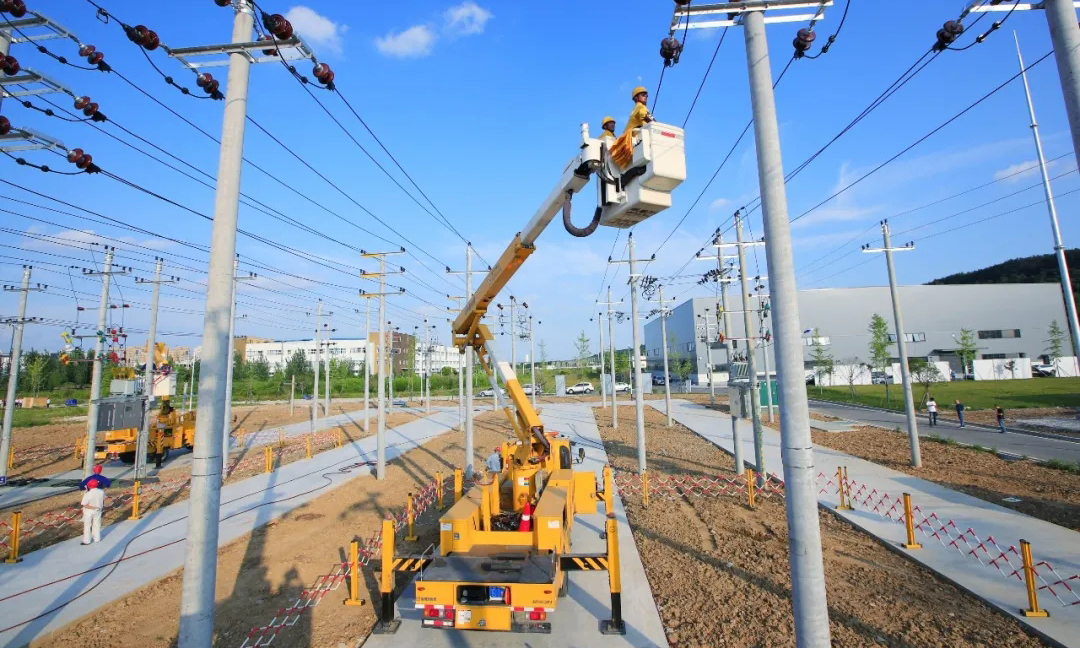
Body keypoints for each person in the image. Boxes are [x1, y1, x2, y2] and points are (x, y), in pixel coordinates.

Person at [81, 477, 105, 545]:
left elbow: (84, 504)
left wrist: (93, 507)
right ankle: (97, 538)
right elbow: (103, 498)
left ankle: (87, 540)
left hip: (89, 511)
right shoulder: (101, 491)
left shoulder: (88, 494)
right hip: (98, 510)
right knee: (97, 524)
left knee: (87, 525)